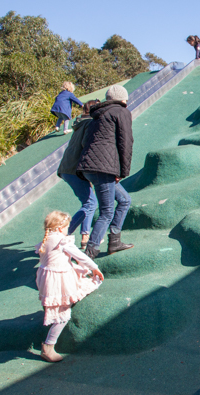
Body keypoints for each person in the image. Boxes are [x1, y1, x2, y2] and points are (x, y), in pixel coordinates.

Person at [35, 211, 103, 362]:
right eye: (66, 226)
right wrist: (94, 267)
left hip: (47, 277)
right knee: (62, 316)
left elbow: (55, 260)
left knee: (56, 304)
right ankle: (48, 347)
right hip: (58, 279)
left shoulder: (46, 240)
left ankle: (49, 334)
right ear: (60, 227)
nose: (67, 230)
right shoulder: (61, 240)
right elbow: (81, 256)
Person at [77, 85, 135, 259]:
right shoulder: (121, 111)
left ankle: (114, 241)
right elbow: (126, 142)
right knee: (107, 212)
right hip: (103, 168)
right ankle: (90, 253)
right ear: (123, 99)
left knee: (124, 200)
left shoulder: (97, 116)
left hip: (90, 167)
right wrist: (122, 171)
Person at [57, 100, 100, 248]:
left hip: (68, 168)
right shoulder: (89, 124)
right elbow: (86, 146)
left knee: (89, 202)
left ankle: (84, 236)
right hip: (73, 169)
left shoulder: (80, 123)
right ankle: (63, 233)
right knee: (90, 203)